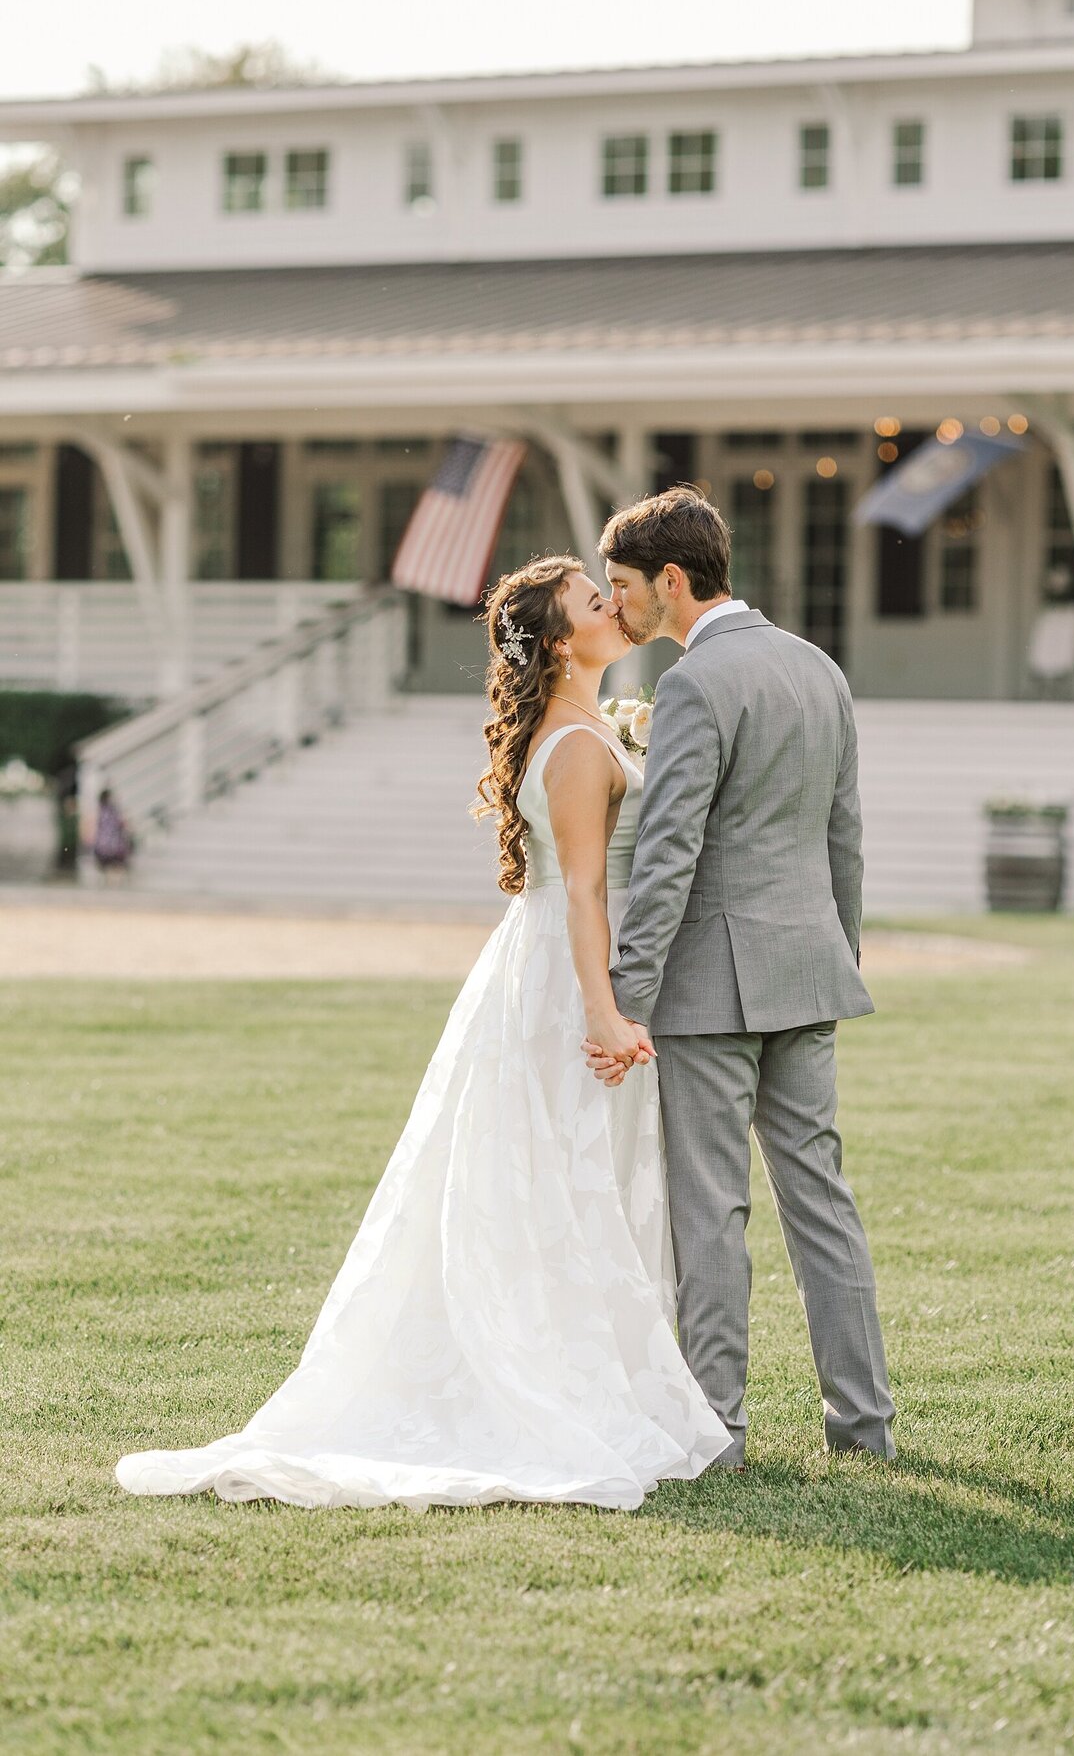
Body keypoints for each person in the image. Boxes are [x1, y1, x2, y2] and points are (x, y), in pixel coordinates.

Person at [115, 556, 730, 1511]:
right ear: (563, 642)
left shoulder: (580, 730)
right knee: (562, 1176)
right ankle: (551, 1383)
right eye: (593, 600)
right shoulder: (572, 747)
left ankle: (589, 1357)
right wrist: (605, 1009)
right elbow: (582, 888)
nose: (615, 606)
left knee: (566, 1178)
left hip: (540, 973)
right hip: (567, 985)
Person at [587, 486, 896, 1464]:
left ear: (672, 581)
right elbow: (845, 834)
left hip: (710, 992)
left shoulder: (693, 685)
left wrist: (623, 999)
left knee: (710, 1211)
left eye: (626, 586)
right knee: (823, 1203)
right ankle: (865, 1426)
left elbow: (666, 854)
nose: (618, 605)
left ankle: (717, 1432)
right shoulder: (819, 669)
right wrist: (837, 947)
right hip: (808, 970)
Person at [91, 787, 133, 881]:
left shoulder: (101, 810)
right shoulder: (112, 811)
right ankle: (114, 883)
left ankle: (109, 882)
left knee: (107, 867)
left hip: (103, 844)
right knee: (116, 865)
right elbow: (122, 823)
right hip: (113, 844)